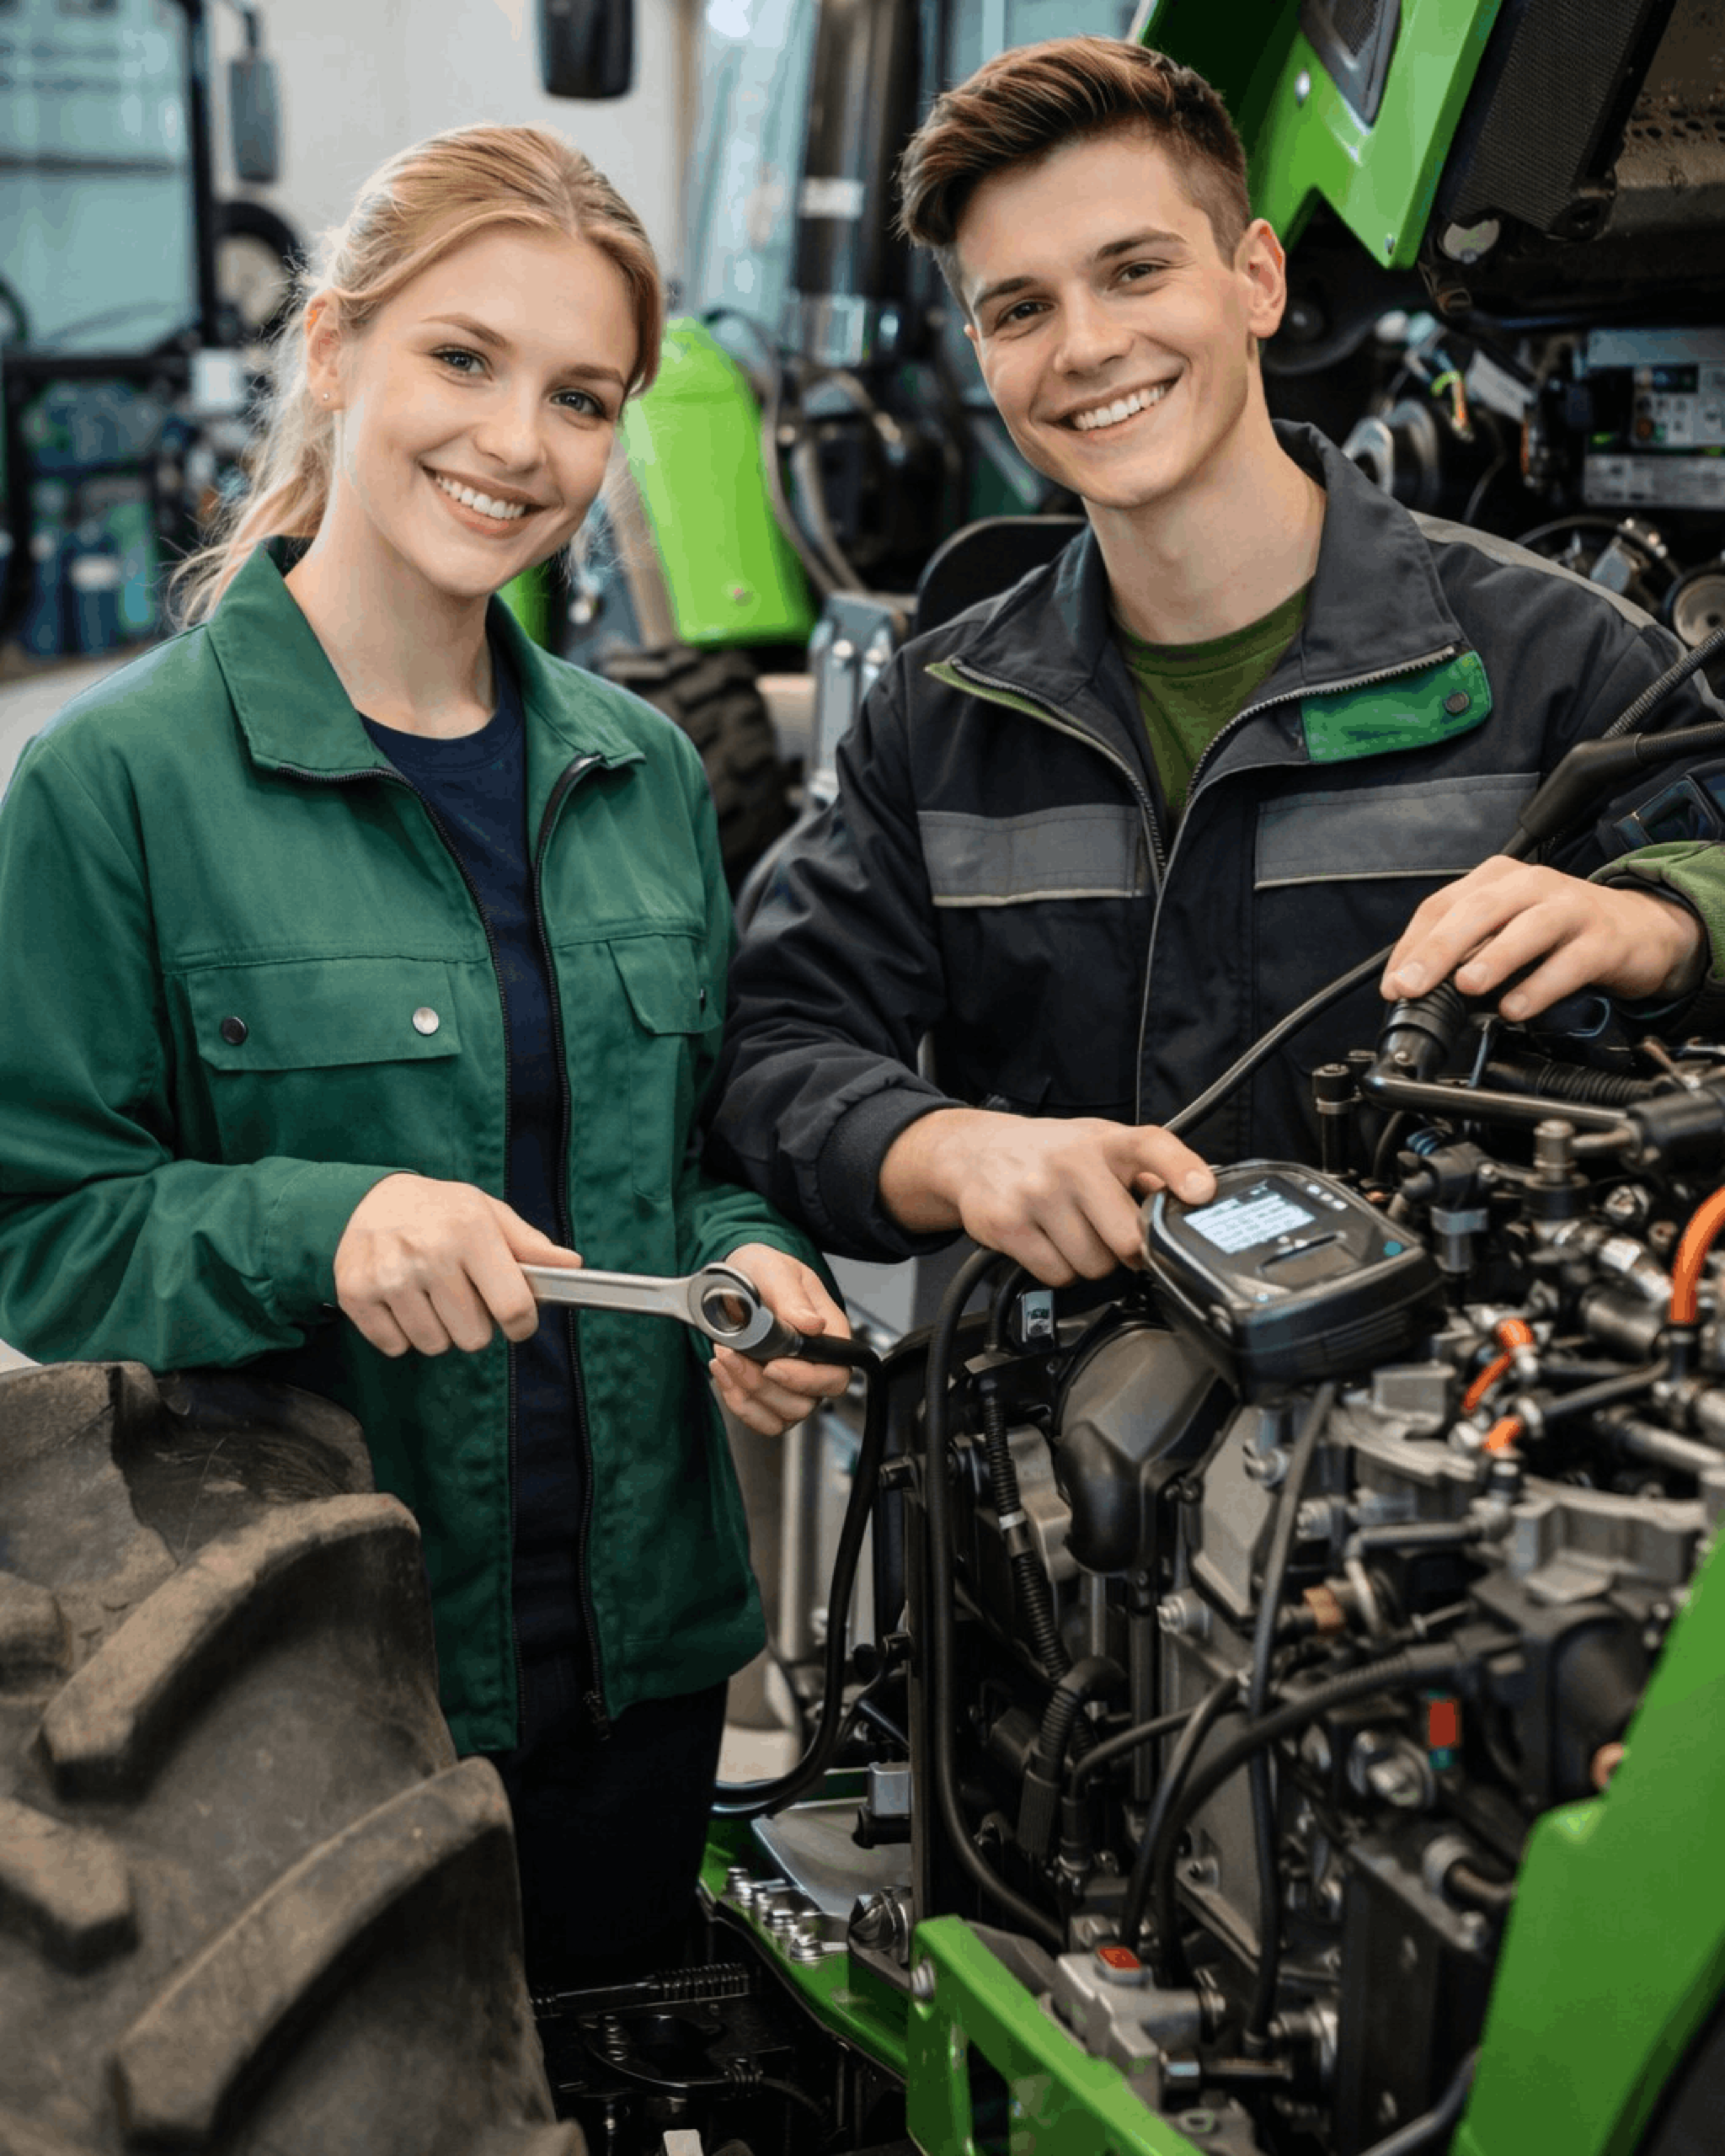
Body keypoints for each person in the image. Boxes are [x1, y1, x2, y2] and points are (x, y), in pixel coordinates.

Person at [0, 125, 851, 1987]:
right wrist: (330, 1220)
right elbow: (38, 1235)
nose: (515, 441)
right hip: (296, 1691)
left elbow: (671, 1148)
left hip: (645, 1662)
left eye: (579, 395)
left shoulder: (640, 772)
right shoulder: (112, 785)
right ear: (334, 351)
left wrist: (744, 1255)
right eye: (461, 359)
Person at [707, 36, 1725, 1283]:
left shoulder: (1557, 661)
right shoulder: (939, 714)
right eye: (1020, 308)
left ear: (1256, 280)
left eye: (1134, 271)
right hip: (1060, 1431)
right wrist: (950, 1147)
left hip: (1462, 1425)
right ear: (980, 349)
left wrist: (1671, 926)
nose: (1084, 346)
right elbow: (778, 1047)